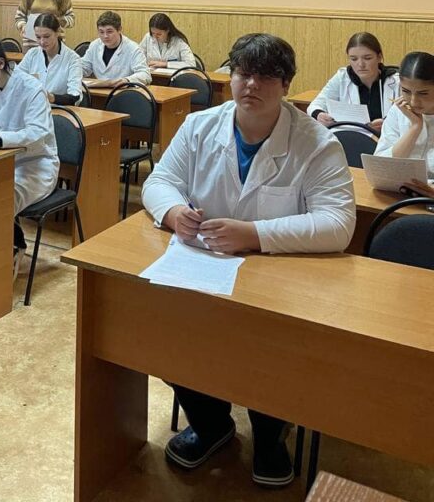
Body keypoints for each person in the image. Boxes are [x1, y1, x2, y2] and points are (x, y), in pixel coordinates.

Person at [141, 33, 355, 488]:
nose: (251, 84)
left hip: (278, 280)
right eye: (243, 73)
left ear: (286, 84)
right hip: (203, 268)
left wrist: (255, 234)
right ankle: (211, 424)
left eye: (265, 76)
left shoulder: (317, 143)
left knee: (272, 349)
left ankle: (270, 435)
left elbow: (338, 223)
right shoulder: (200, 126)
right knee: (161, 329)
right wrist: (174, 212)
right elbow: (159, 181)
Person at [0, 36, 59, 275]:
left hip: (35, 166)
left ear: (0, 63)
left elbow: (37, 134)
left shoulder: (30, 88)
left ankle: (10, 249)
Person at [308, 32, 398, 133]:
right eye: (354, 59)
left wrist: (388, 123)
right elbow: (315, 105)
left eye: (367, 58)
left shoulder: (396, 81)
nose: (360, 64)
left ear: (379, 57)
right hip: (350, 137)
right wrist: (319, 115)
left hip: (386, 139)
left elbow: (406, 117)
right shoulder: (341, 78)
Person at [375, 51, 434, 175]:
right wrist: (415, 127)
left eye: (423, 93)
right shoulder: (398, 110)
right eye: (406, 91)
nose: (413, 101)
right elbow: (380, 165)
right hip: (399, 184)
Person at [17, 13, 83, 104]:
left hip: (59, 109)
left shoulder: (73, 59)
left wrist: (51, 97)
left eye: (46, 36)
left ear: (58, 32)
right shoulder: (32, 54)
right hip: (32, 107)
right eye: (38, 37)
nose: (42, 42)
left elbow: (75, 97)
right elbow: (16, 80)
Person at [80, 10, 151, 87]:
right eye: (101, 32)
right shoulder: (95, 45)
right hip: (98, 90)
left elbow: (145, 74)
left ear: (119, 29)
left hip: (122, 91)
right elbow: (84, 67)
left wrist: (126, 80)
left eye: (109, 32)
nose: (105, 36)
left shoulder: (133, 48)